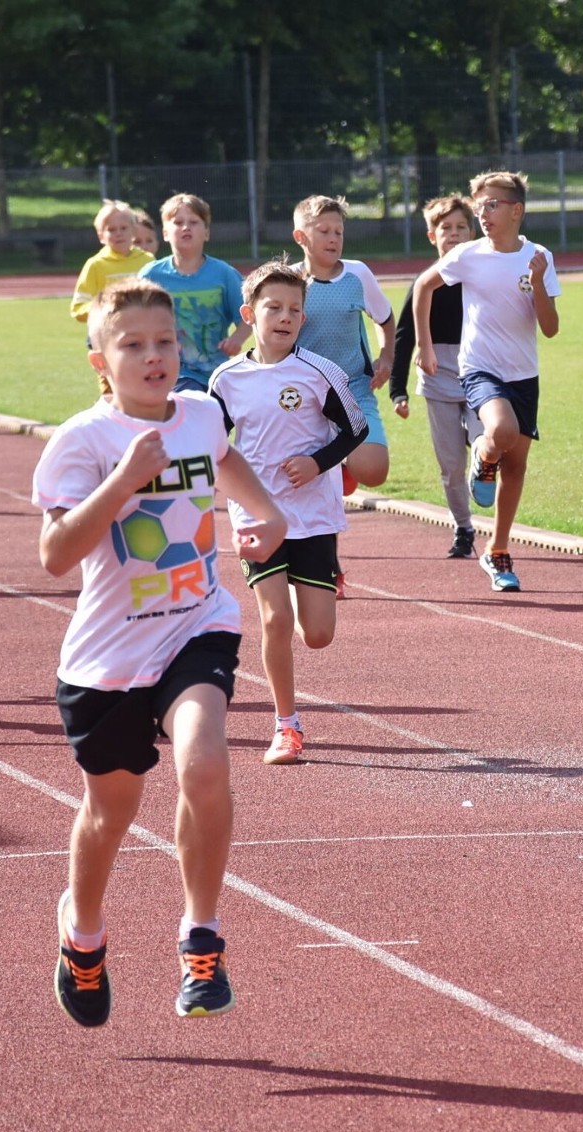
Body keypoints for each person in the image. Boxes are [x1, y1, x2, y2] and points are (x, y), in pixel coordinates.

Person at [33, 278, 286, 1027]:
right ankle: (82, 933)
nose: (154, 357)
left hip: (196, 625)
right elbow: (54, 555)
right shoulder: (82, 441)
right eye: (133, 345)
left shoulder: (203, 413)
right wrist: (121, 480)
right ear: (99, 362)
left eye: (165, 342)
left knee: (205, 762)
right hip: (107, 658)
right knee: (109, 816)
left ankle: (200, 939)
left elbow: (225, 461)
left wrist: (263, 514)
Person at [209, 260, 368, 764]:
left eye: (294, 310)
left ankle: (322, 582)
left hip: (314, 516)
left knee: (317, 635)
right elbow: (211, 445)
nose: (284, 316)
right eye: (273, 307)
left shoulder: (321, 373)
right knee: (275, 620)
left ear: (304, 320)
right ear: (248, 314)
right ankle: (286, 726)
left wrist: (317, 462)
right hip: (256, 515)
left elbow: (356, 429)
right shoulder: (227, 379)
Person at [413, 171, 560, 593]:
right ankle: (483, 455)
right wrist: (425, 345)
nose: (483, 213)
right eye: (479, 206)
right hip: (478, 368)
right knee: (500, 431)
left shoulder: (538, 256)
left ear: (517, 211)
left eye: (492, 204)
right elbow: (423, 285)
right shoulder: (468, 256)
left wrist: (536, 286)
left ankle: (496, 552)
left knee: (516, 468)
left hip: (523, 375)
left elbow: (549, 329)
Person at [292, 194, 395, 597]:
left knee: (374, 470)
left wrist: (386, 356)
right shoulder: (290, 280)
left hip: (352, 387)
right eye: (324, 232)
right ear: (302, 236)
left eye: (339, 231)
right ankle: (328, 567)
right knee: (316, 486)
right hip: (307, 394)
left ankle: (345, 464)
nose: (334, 239)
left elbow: (385, 319)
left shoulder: (357, 275)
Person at [390, 195, 482, 559]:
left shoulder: (481, 279)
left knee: (484, 442)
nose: (454, 234)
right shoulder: (424, 284)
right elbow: (404, 336)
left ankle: (486, 472)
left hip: (480, 372)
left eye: (461, 227)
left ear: (473, 233)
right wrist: (398, 391)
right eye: (446, 228)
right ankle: (463, 528)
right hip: (436, 375)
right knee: (450, 464)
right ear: (432, 236)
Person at [139, 193, 251, 393]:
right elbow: (135, 320)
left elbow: (249, 316)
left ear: (207, 233)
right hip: (172, 374)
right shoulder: (151, 276)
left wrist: (237, 339)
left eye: (194, 222)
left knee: (218, 423)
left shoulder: (223, 274)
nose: (185, 227)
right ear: (165, 233)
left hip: (217, 373)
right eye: (178, 222)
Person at [70, 200, 154, 324]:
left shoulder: (148, 261)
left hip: (143, 331)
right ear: (101, 236)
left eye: (124, 228)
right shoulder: (96, 265)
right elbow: (78, 308)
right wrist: (106, 307)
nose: (119, 233)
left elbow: (161, 299)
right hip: (109, 334)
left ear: (134, 231)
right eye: (112, 229)